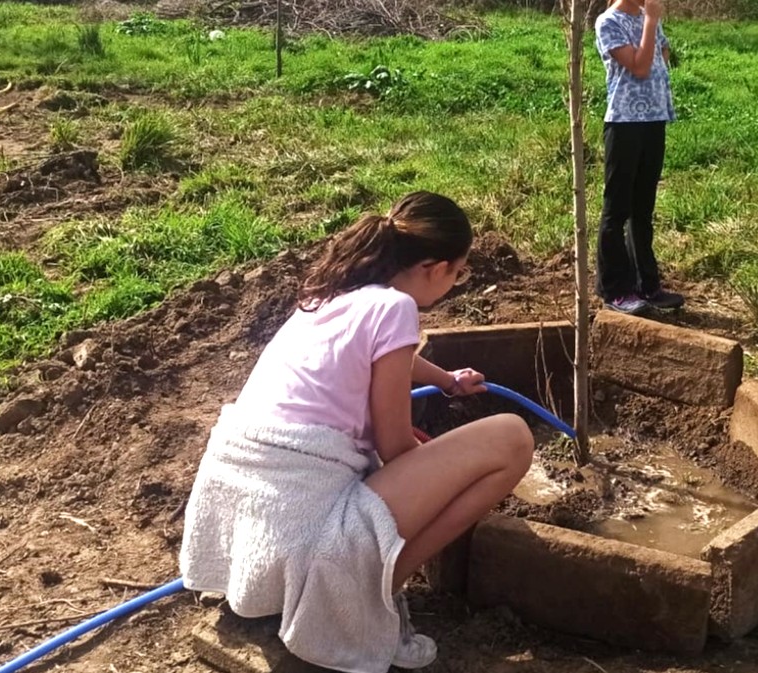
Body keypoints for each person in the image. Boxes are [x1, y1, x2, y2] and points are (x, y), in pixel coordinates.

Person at [180, 192, 534, 672]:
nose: (455, 283)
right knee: (512, 437)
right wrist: (433, 468)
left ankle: (348, 579)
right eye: (459, 272)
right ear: (435, 267)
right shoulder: (396, 308)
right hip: (303, 527)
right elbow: (394, 445)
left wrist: (447, 382)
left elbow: (391, 356)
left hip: (245, 526)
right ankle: (379, 589)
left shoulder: (331, 297)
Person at [595, 0, 685, 316]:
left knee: (642, 208)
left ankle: (647, 285)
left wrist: (650, 26)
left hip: (653, 121)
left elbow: (662, 54)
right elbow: (640, 66)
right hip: (624, 123)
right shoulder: (608, 22)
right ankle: (615, 290)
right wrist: (649, 23)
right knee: (617, 209)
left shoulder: (649, 19)